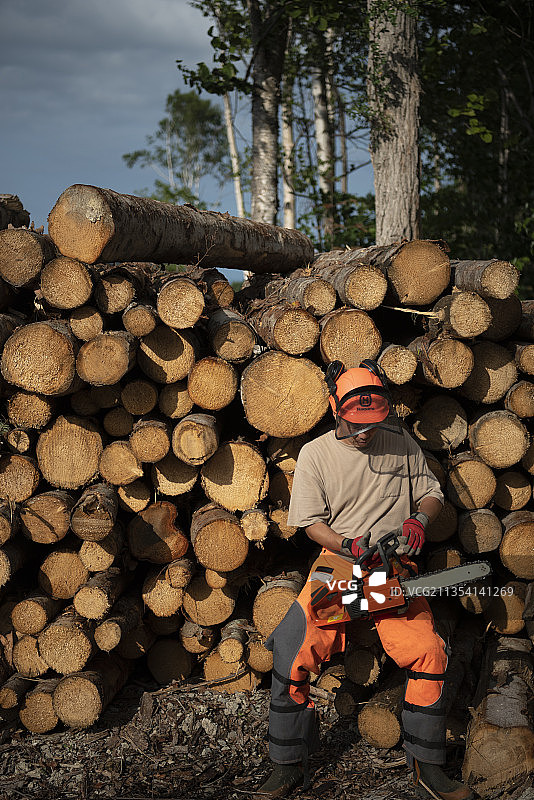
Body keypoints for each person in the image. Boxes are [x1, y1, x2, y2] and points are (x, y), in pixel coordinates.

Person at [256, 361, 473, 800]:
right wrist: (346, 544)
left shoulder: (400, 442)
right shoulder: (316, 454)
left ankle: (427, 768)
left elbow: (431, 492)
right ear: (335, 407)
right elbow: (310, 524)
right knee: (292, 645)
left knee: (429, 651)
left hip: (393, 568)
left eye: (372, 423)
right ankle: (287, 764)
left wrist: (419, 520)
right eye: (356, 424)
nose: (365, 432)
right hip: (340, 561)